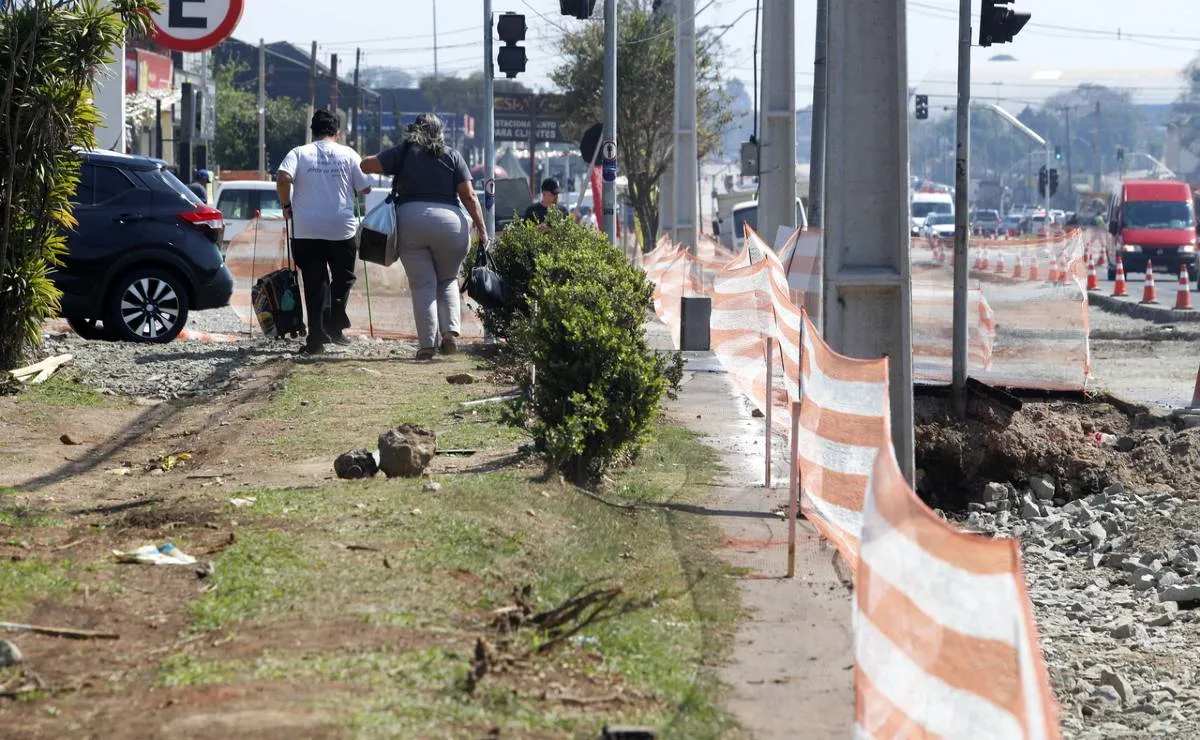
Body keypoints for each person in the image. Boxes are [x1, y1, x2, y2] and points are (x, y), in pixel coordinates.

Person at [360, 113, 487, 361]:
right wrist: (482, 230)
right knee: (449, 279)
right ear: (441, 132)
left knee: (423, 285)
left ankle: (427, 346)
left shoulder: (404, 153)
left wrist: (396, 154)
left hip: (411, 222)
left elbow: (366, 165)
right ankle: (449, 335)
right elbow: (469, 197)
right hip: (451, 224)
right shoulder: (453, 155)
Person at [276, 110, 373, 356]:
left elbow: (283, 176)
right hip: (341, 230)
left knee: (314, 283)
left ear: (313, 131)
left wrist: (286, 206)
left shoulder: (298, 152)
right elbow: (366, 188)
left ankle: (316, 340)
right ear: (337, 132)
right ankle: (335, 325)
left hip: (306, 230)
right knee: (343, 279)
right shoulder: (348, 153)